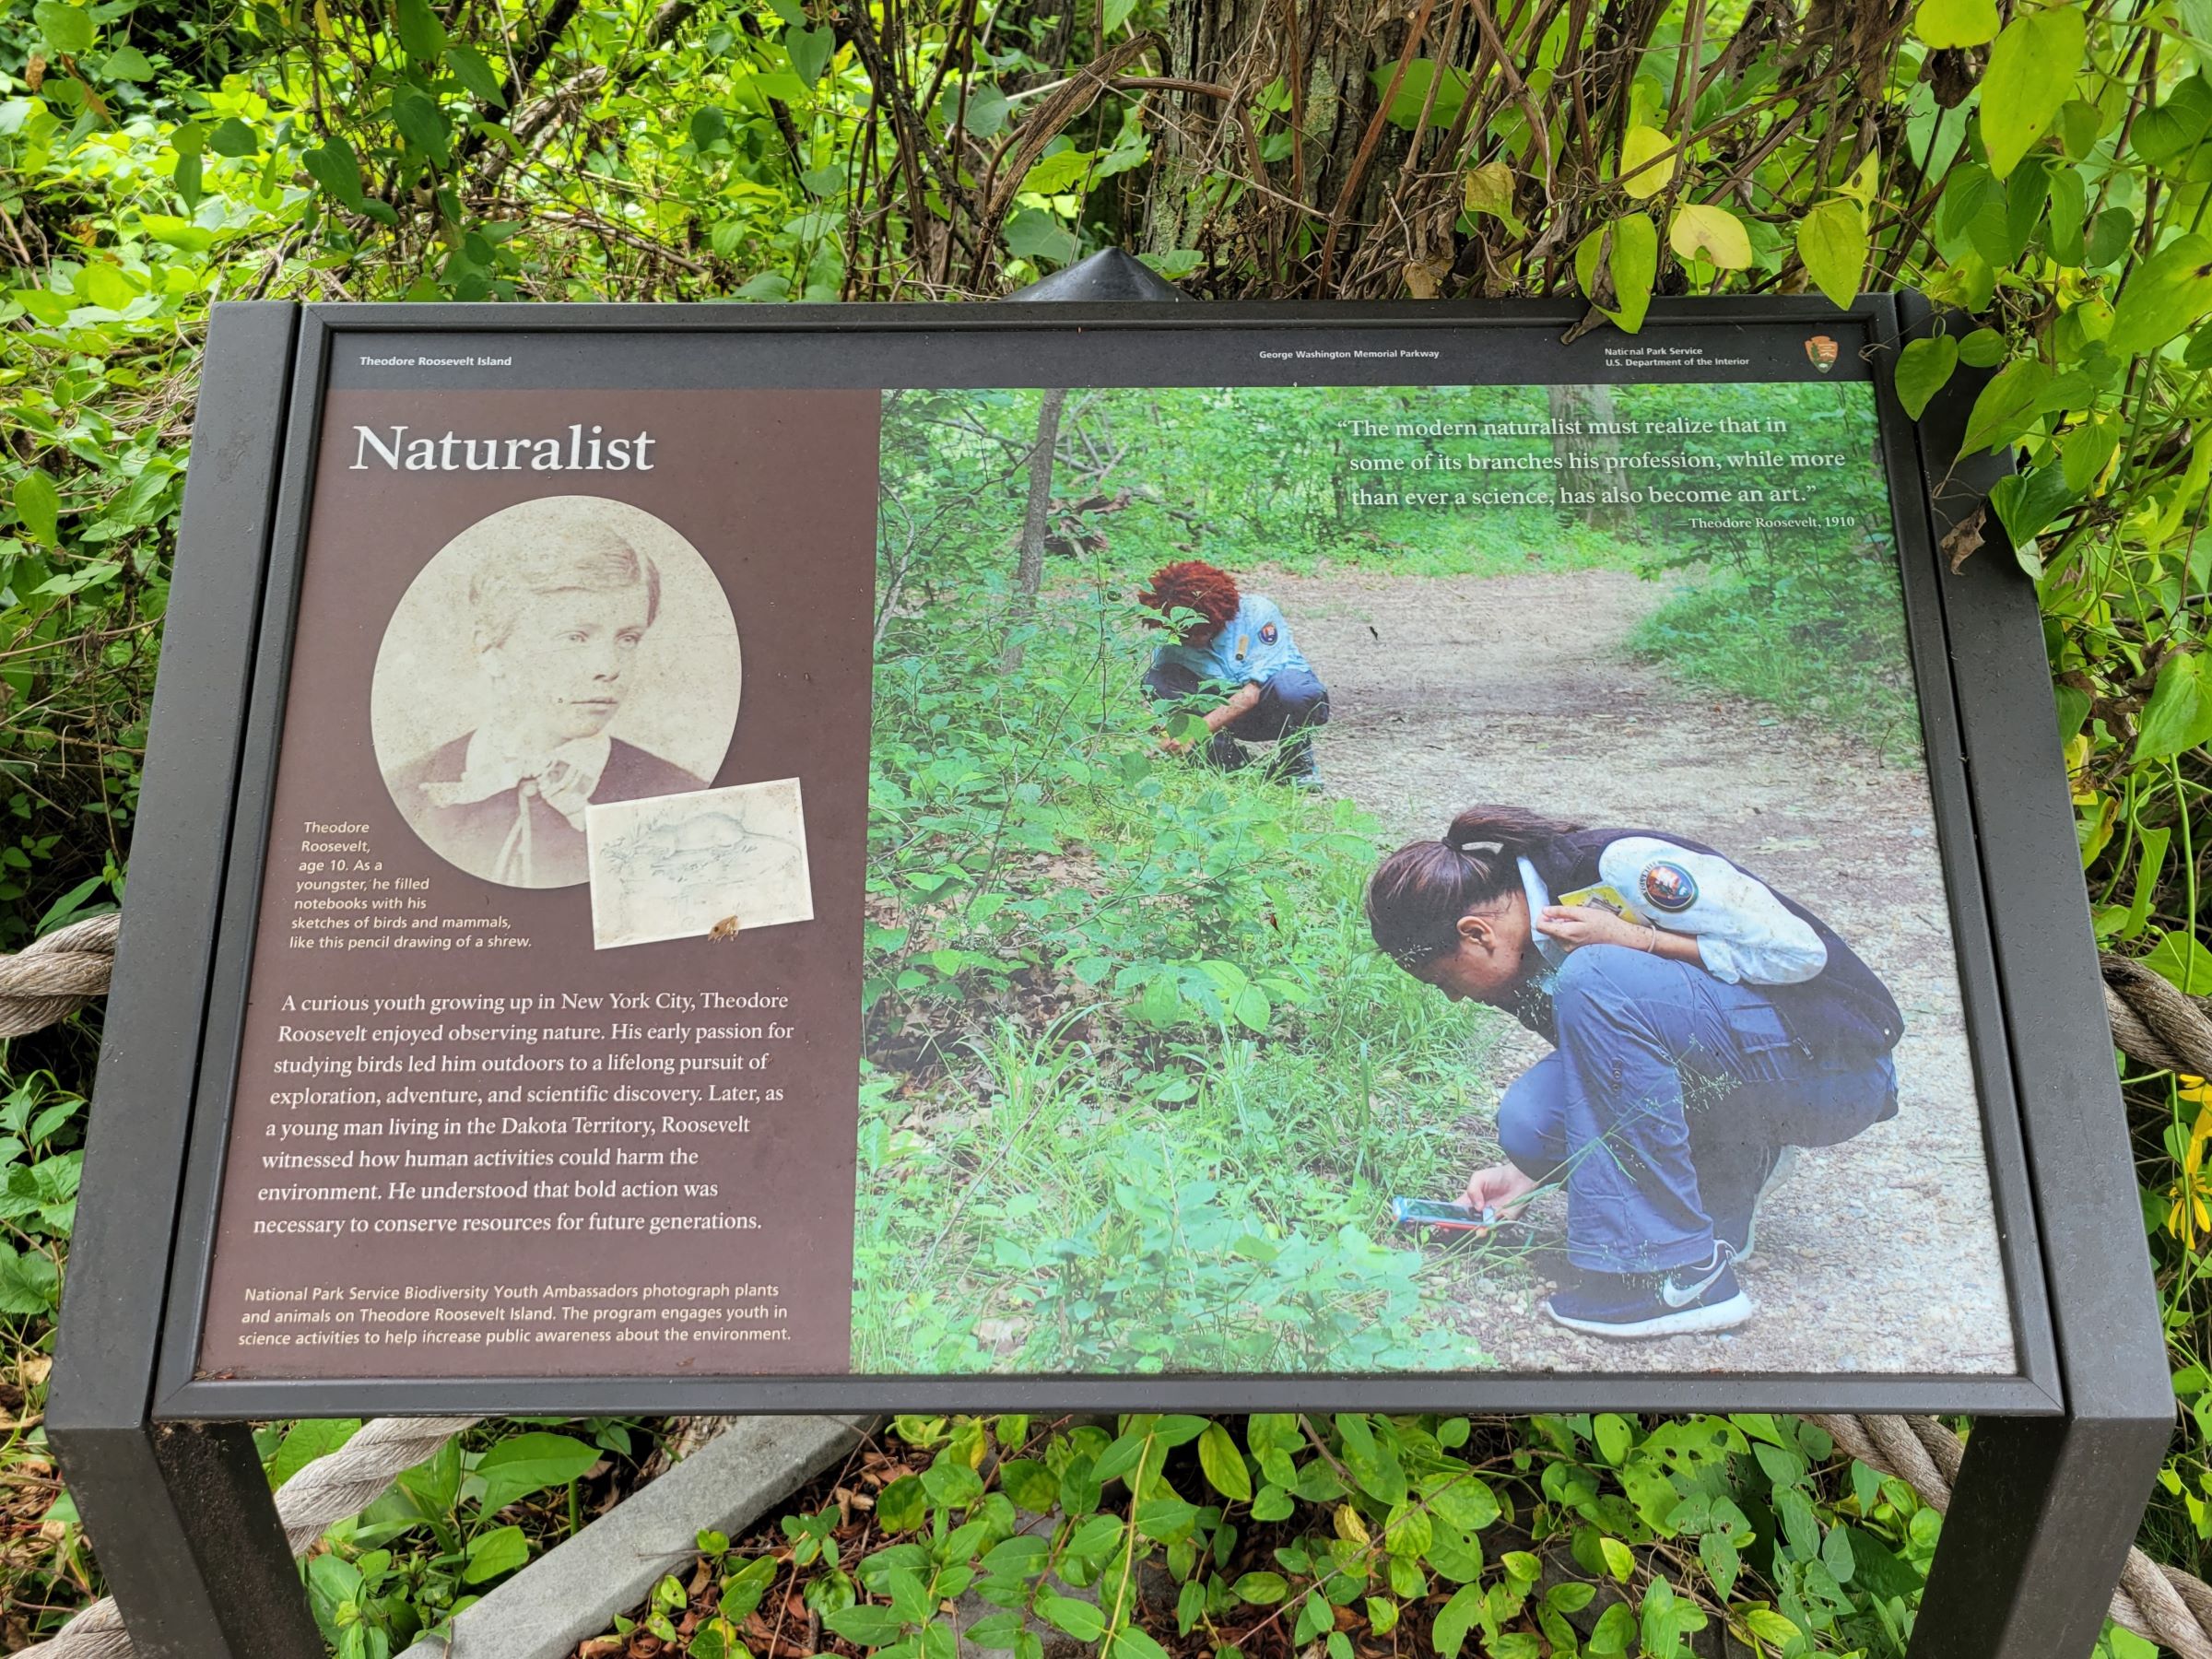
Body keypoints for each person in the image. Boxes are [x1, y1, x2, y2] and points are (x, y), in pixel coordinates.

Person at [1366, 806, 1903, 1339]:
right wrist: (1529, 1176)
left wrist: (1642, 941)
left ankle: (1677, 1276)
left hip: (1837, 1069)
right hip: (1743, 1064)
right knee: (1534, 1123)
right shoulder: (1520, 958)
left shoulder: (1622, 867)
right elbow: (1617, 1073)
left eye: (1444, 980)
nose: (1456, 998)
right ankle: (1727, 1185)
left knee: (1599, 972)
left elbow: (1799, 953)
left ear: (1477, 933)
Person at [382, 524, 707, 888]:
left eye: (628, 639)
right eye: (575, 637)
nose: (609, 667)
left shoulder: (686, 803)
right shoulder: (401, 792)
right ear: (490, 650)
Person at [1137, 560, 1330, 787]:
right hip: (1228, 717)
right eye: (1183, 633)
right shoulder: (1174, 644)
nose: (1189, 640)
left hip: (1274, 708)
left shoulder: (1257, 613)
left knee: (1293, 689)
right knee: (1157, 680)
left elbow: (1252, 693)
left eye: (1197, 632)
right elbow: (1163, 699)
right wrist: (1164, 737)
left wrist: (1193, 732)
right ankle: (1228, 760)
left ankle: (1296, 764)